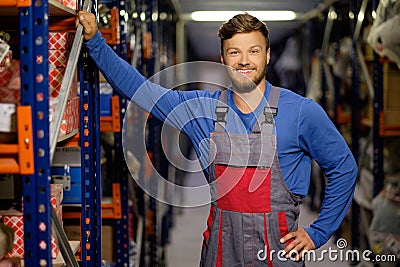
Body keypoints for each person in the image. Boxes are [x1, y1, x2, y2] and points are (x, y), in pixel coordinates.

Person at [77, 11, 358, 266]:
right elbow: (142, 91)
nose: (244, 60)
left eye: (254, 51)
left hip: (279, 254)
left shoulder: (300, 111)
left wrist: (318, 232)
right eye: (234, 52)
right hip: (220, 253)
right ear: (223, 59)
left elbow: (343, 167)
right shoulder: (202, 110)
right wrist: (96, 43)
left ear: (268, 55)